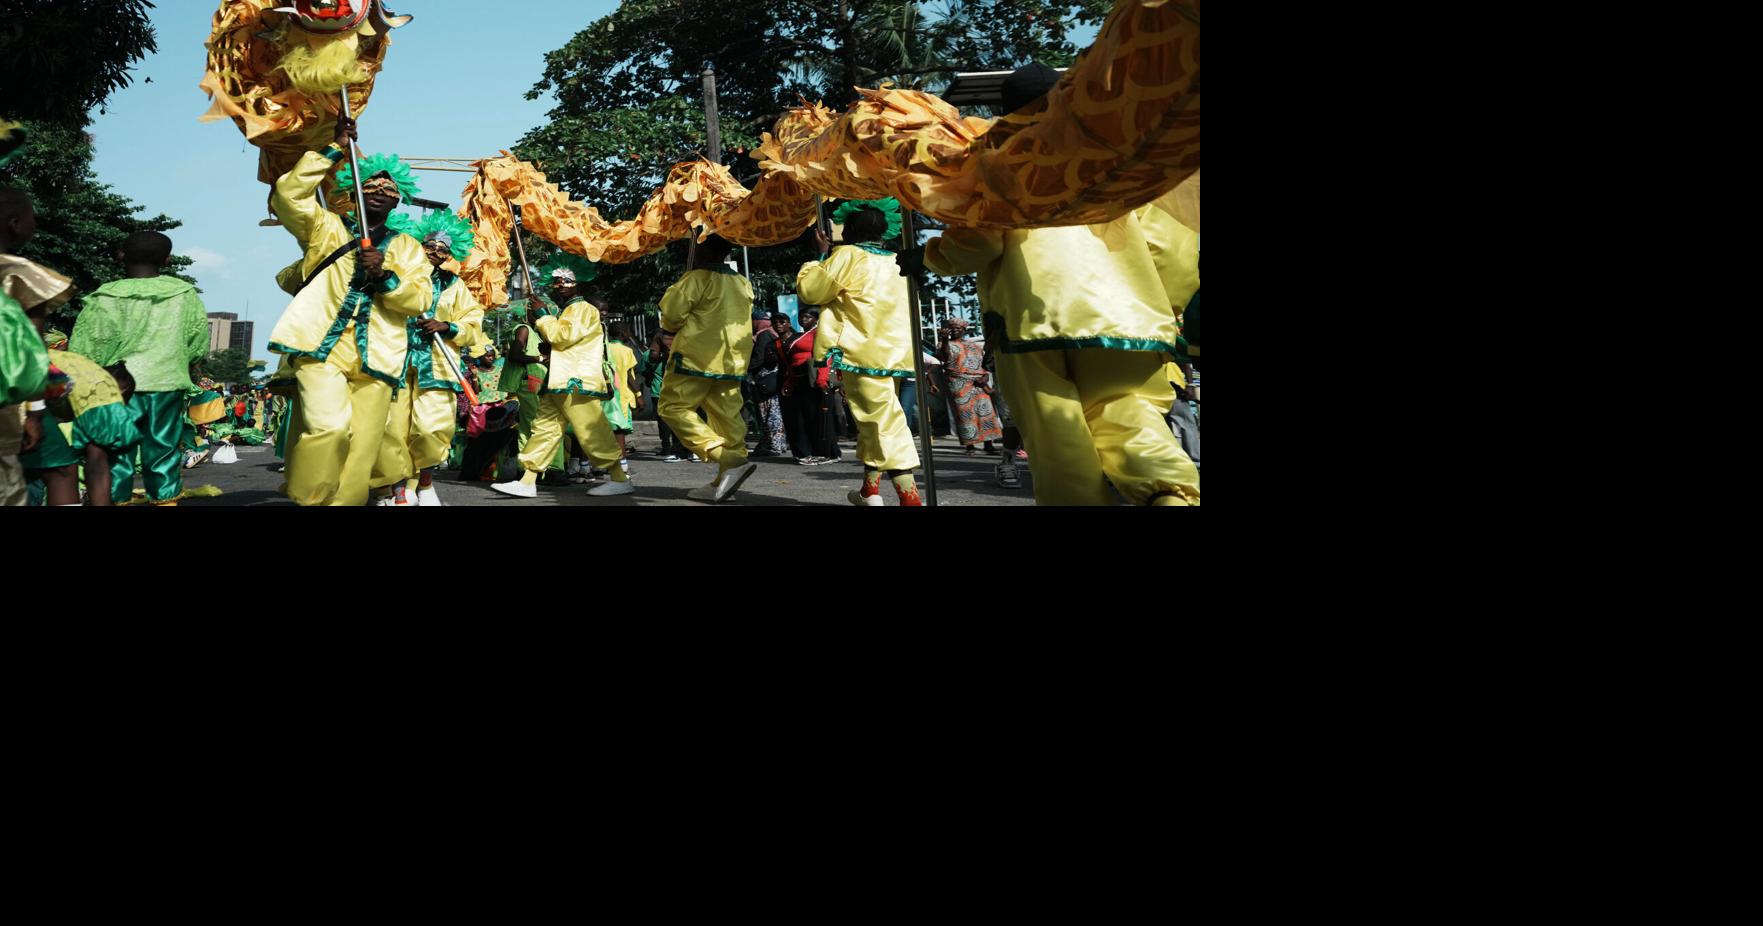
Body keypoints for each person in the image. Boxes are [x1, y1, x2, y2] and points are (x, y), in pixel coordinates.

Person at [921, 63, 1200, 506]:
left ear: (1008, 110)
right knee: (1129, 416)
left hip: (1030, 327)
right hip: (1127, 320)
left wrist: (928, 257)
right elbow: (1172, 245)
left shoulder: (997, 160)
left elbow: (978, 244)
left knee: (1058, 438)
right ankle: (1170, 495)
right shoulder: (1117, 155)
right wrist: (1164, 305)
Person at [269, 116, 433, 506]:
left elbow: (419, 299)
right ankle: (310, 499)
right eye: (370, 185)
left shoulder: (408, 247)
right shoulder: (324, 227)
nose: (378, 191)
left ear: (397, 200)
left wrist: (385, 276)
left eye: (388, 188)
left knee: (362, 448)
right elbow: (288, 196)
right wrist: (333, 149)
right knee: (329, 427)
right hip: (321, 346)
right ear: (354, 190)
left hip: (380, 354)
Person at [797, 199, 921, 506]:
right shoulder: (896, 259)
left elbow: (812, 291)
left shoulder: (847, 255)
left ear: (849, 229)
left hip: (861, 353)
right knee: (873, 423)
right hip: (896, 355)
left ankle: (911, 499)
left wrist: (819, 256)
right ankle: (870, 491)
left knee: (882, 425)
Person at [491, 254, 631, 498]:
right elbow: (564, 343)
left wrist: (544, 315)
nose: (560, 286)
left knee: (592, 430)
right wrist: (549, 346)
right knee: (544, 429)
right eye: (556, 281)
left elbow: (561, 337)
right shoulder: (569, 310)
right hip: (558, 381)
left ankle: (619, 478)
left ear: (577, 283)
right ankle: (527, 480)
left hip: (574, 382)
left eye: (565, 281)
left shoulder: (583, 309)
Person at [369, 209, 484, 506]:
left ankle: (425, 483)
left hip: (437, 364)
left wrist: (448, 327)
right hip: (395, 360)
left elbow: (474, 323)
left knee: (432, 429)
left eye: (442, 249)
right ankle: (395, 490)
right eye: (429, 245)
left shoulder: (454, 285)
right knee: (392, 429)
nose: (434, 252)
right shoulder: (399, 275)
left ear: (449, 255)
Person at [656, 234, 758, 503]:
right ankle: (725, 480)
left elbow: (672, 315)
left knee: (672, 408)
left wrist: (679, 290)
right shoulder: (741, 282)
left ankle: (726, 459)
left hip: (695, 358)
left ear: (701, 250)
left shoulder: (695, 279)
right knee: (727, 419)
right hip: (732, 362)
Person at [0, 185, 63, 506]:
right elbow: (34, 352)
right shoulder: (23, 276)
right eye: (32, 218)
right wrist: (36, 413)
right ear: (14, 224)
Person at [937, 318, 1002, 454]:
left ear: (964, 330)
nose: (955, 330)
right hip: (959, 383)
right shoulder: (945, 344)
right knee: (965, 414)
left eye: (958, 328)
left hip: (979, 383)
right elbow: (945, 356)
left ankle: (988, 445)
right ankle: (970, 446)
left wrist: (984, 377)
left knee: (984, 412)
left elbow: (983, 365)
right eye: (952, 328)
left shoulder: (974, 346)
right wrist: (943, 340)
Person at [638, 330, 691, 461]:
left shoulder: (648, 355)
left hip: (659, 390)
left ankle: (667, 448)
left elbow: (645, 369)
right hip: (682, 390)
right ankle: (686, 448)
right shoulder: (684, 354)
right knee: (682, 418)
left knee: (664, 421)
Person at [778, 306, 822, 464]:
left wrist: (823, 378)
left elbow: (825, 356)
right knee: (799, 417)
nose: (803, 319)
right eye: (802, 316)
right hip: (796, 378)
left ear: (816, 319)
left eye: (808, 317)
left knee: (811, 417)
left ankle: (814, 451)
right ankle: (803, 452)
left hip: (811, 379)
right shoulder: (801, 335)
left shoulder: (819, 334)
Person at [748, 312, 787, 457]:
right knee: (776, 413)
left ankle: (773, 445)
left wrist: (744, 369)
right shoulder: (774, 333)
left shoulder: (763, 335)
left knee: (768, 414)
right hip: (776, 379)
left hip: (765, 381)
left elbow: (759, 359)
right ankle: (778, 444)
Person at [602, 321, 639, 473]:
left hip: (605, 393)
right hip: (622, 396)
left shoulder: (605, 347)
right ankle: (621, 466)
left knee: (604, 430)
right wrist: (639, 394)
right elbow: (631, 376)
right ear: (624, 334)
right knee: (619, 431)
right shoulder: (627, 351)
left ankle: (602, 463)